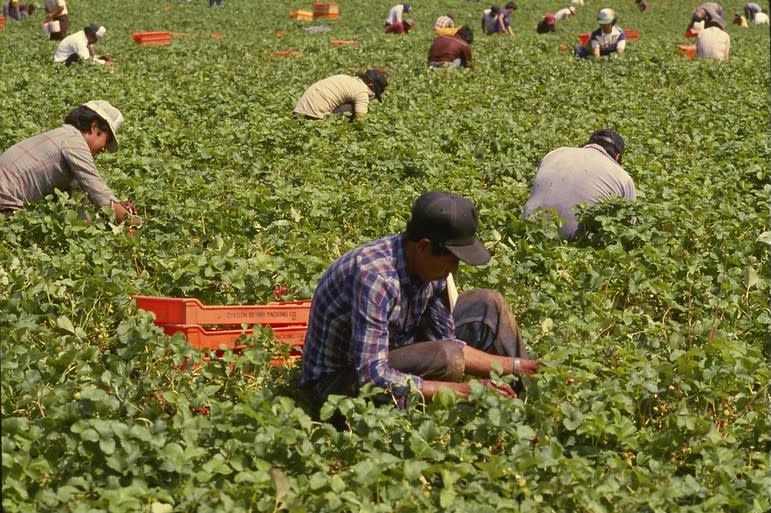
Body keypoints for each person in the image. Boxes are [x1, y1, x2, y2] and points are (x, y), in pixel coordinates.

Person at [300, 191, 539, 423]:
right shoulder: (375, 278)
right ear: (424, 247)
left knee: (488, 304)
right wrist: (466, 391)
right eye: (452, 260)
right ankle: (447, 415)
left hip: (394, 349)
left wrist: (521, 366)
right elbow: (371, 375)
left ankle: (526, 394)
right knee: (447, 359)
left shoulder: (427, 268)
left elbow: (446, 339)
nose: (454, 270)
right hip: (338, 385)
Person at [0, 101, 139, 225]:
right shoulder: (75, 143)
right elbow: (100, 196)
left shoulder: (62, 135)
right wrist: (133, 222)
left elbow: (77, 204)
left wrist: (119, 207)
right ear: (94, 127)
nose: (104, 149)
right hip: (5, 205)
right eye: (107, 140)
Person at [522, 129, 635, 239]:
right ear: (618, 156)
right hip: (576, 240)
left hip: (529, 229)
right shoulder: (623, 177)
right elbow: (628, 227)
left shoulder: (555, 153)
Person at [293, 70, 388, 120]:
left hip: (298, 112)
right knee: (351, 108)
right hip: (314, 117)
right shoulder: (362, 91)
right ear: (370, 86)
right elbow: (360, 120)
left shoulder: (346, 78)